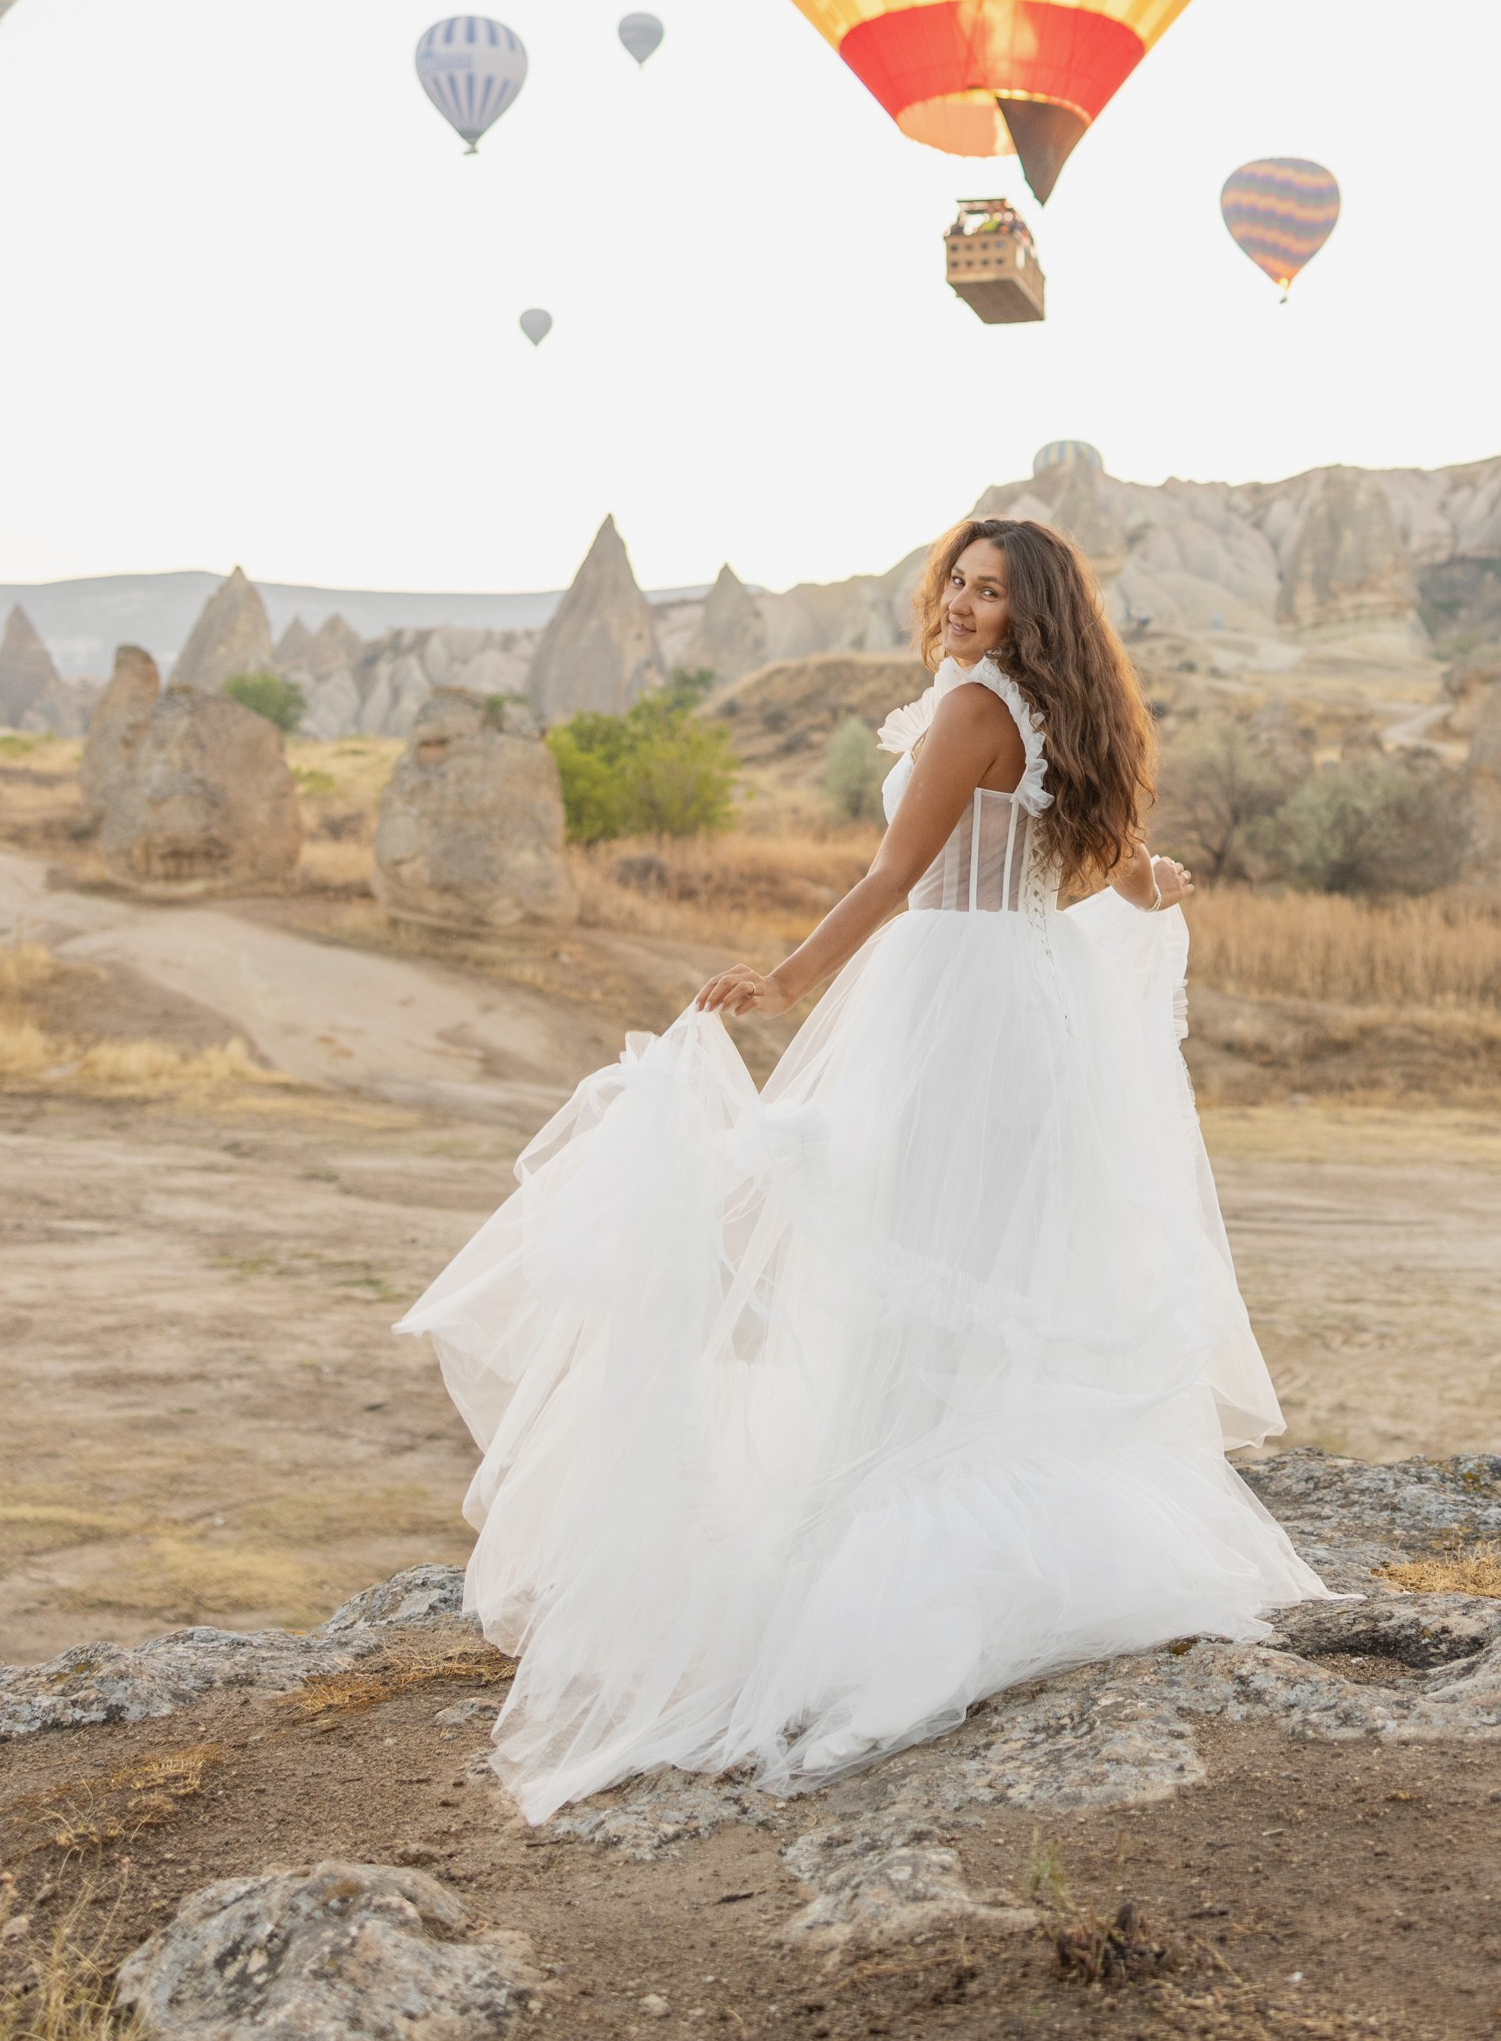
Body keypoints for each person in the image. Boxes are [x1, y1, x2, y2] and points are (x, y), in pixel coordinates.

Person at [396, 513, 1325, 1819]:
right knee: (982, 1253)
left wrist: (785, 976)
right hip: (1026, 1004)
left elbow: (895, 874)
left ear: (1031, 613)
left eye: (991, 591)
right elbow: (1098, 859)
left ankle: (902, 1527)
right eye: (957, 578)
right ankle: (987, 1507)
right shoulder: (1061, 713)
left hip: (949, 1000)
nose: (960, 601)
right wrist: (1148, 882)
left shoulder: (970, 713)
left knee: (902, 1248)